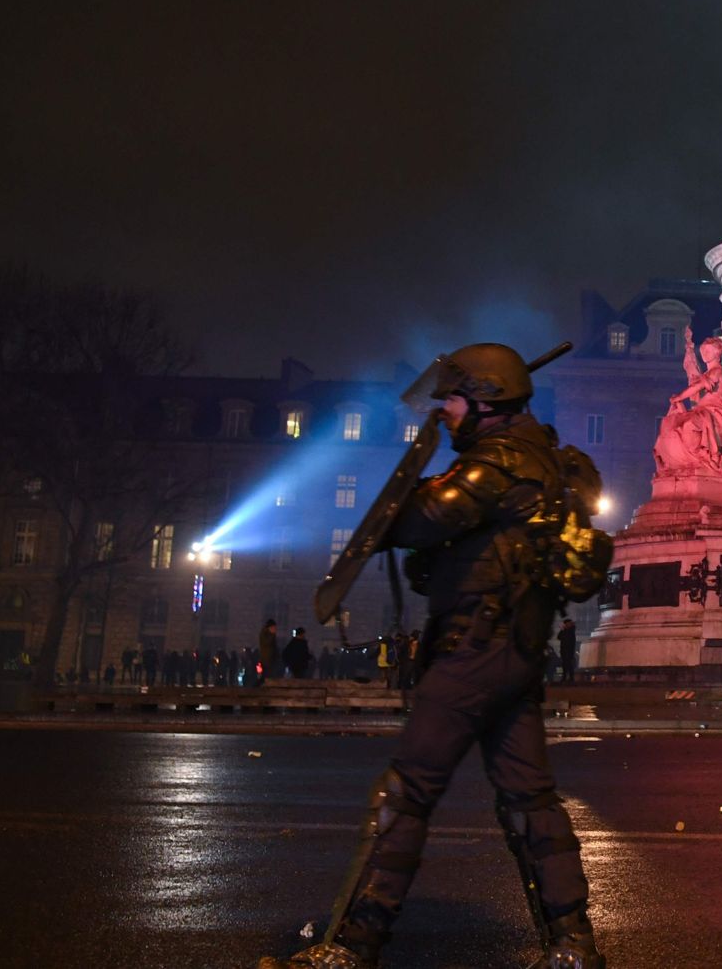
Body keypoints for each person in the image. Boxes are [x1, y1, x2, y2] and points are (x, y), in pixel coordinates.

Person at [262, 342, 612, 969]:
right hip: (515, 652)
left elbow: (420, 518)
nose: (443, 411)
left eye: (451, 399)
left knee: (408, 792)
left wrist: (410, 482)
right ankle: (573, 946)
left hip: (473, 653)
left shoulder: (496, 463)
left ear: (484, 400)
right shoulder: (543, 458)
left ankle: (352, 944)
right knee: (530, 799)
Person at [256, 620, 280, 686]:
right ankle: (256, 688)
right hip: (266, 659)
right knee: (265, 676)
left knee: (268, 676)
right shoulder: (264, 633)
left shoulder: (271, 634)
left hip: (271, 658)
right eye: (274, 627)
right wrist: (272, 635)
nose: (275, 629)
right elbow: (267, 642)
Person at [558, 619, 580, 684]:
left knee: (569, 665)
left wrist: (563, 630)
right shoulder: (566, 630)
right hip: (564, 651)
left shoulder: (570, 631)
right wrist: (562, 630)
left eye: (566, 624)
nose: (565, 625)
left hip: (568, 651)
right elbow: (559, 637)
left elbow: (564, 638)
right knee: (565, 664)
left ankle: (570, 678)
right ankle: (566, 677)